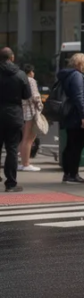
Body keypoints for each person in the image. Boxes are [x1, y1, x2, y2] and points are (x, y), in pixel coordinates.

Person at [57, 52, 84, 184]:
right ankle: (73, 174)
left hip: (70, 115)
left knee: (70, 145)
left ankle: (67, 174)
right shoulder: (77, 76)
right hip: (77, 116)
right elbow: (79, 97)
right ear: (80, 63)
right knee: (76, 146)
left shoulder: (67, 75)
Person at [0, 48, 32, 192]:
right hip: (13, 114)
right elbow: (27, 95)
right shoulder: (20, 75)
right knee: (12, 149)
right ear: (12, 58)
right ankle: (11, 183)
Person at [18, 62, 42, 172]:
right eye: (32, 71)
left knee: (23, 138)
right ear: (30, 72)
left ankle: (22, 162)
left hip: (21, 111)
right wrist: (40, 105)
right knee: (29, 138)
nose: (33, 73)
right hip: (31, 111)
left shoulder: (19, 79)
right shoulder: (31, 81)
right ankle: (26, 163)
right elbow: (35, 96)